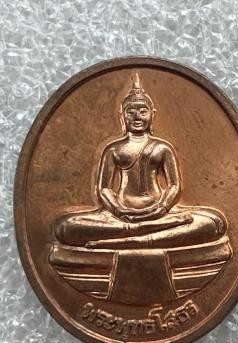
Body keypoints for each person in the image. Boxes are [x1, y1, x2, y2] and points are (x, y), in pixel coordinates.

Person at [54, 74, 226, 249]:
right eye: (131, 112)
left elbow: (175, 186)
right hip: (120, 217)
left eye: (143, 111)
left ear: (152, 114)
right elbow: (104, 189)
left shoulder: (162, 148)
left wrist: (162, 208)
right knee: (65, 227)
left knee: (214, 223)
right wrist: (118, 210)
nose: (137, 117)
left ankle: (134, 237)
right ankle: (147, 234)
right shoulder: (113, 149)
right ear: (122, 116)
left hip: (161, 214)